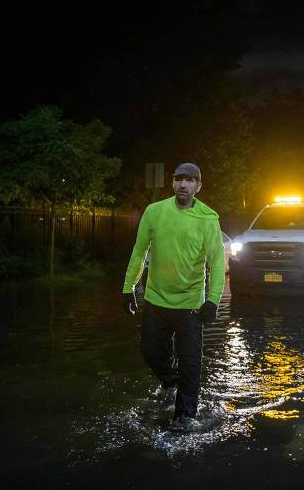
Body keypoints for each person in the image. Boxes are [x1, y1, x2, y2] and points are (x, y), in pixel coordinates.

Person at [122, 162, 225, 428]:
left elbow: (216, 262)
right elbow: (139, 251)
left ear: (198, 187)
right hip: (156, 300)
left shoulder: (208, 218)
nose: (183, 184)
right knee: (150, 351)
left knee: (191, 364)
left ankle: (185, 419)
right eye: (179, 178)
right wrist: (128, 288)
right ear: (172, 182)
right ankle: (170, 381)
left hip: (191, 304)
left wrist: (212, 300)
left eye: (190, 180)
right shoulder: (154, 212)